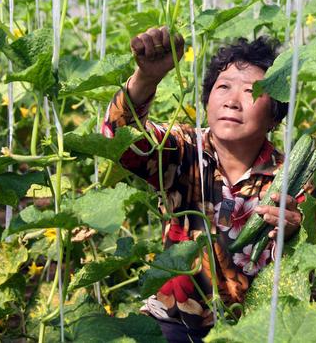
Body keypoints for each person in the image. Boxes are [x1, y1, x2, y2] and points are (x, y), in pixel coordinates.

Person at [102, 26, 304, 342]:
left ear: (275, 116)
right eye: (223, 87)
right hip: (173, 319)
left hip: (251, 328)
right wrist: (146, 79)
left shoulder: (291, 176)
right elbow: (118, 140)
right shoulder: (181, 148)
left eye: (252, 91)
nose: (233, 101)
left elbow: (302, 259)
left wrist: (294, 231)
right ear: (207, 99)